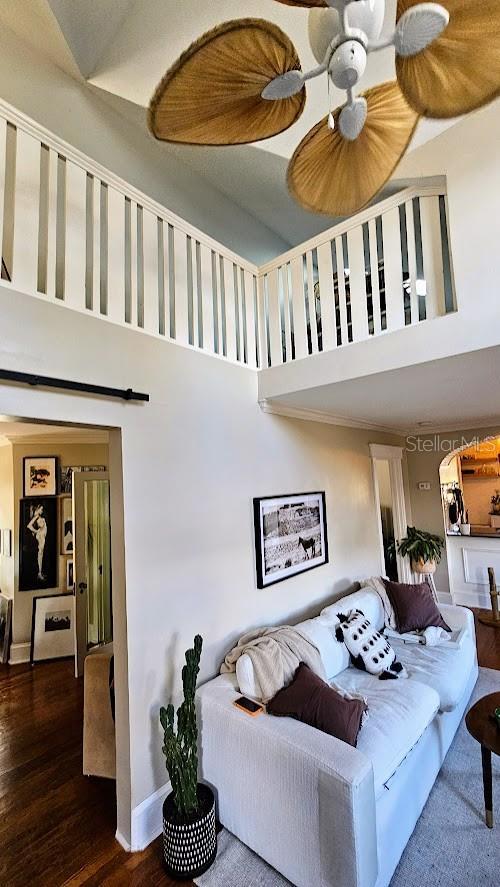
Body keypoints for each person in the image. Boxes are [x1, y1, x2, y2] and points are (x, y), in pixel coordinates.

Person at [27, 504, 47, 581]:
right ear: (37, 509)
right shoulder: (37, 517)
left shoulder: (38, 517)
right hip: (40, 537)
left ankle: (40, 572)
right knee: (40, 555)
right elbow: (29, 526)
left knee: (41, 555)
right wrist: (36, 532)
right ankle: (39, 573)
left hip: (42, 537)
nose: (42, 511)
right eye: (41, 509)